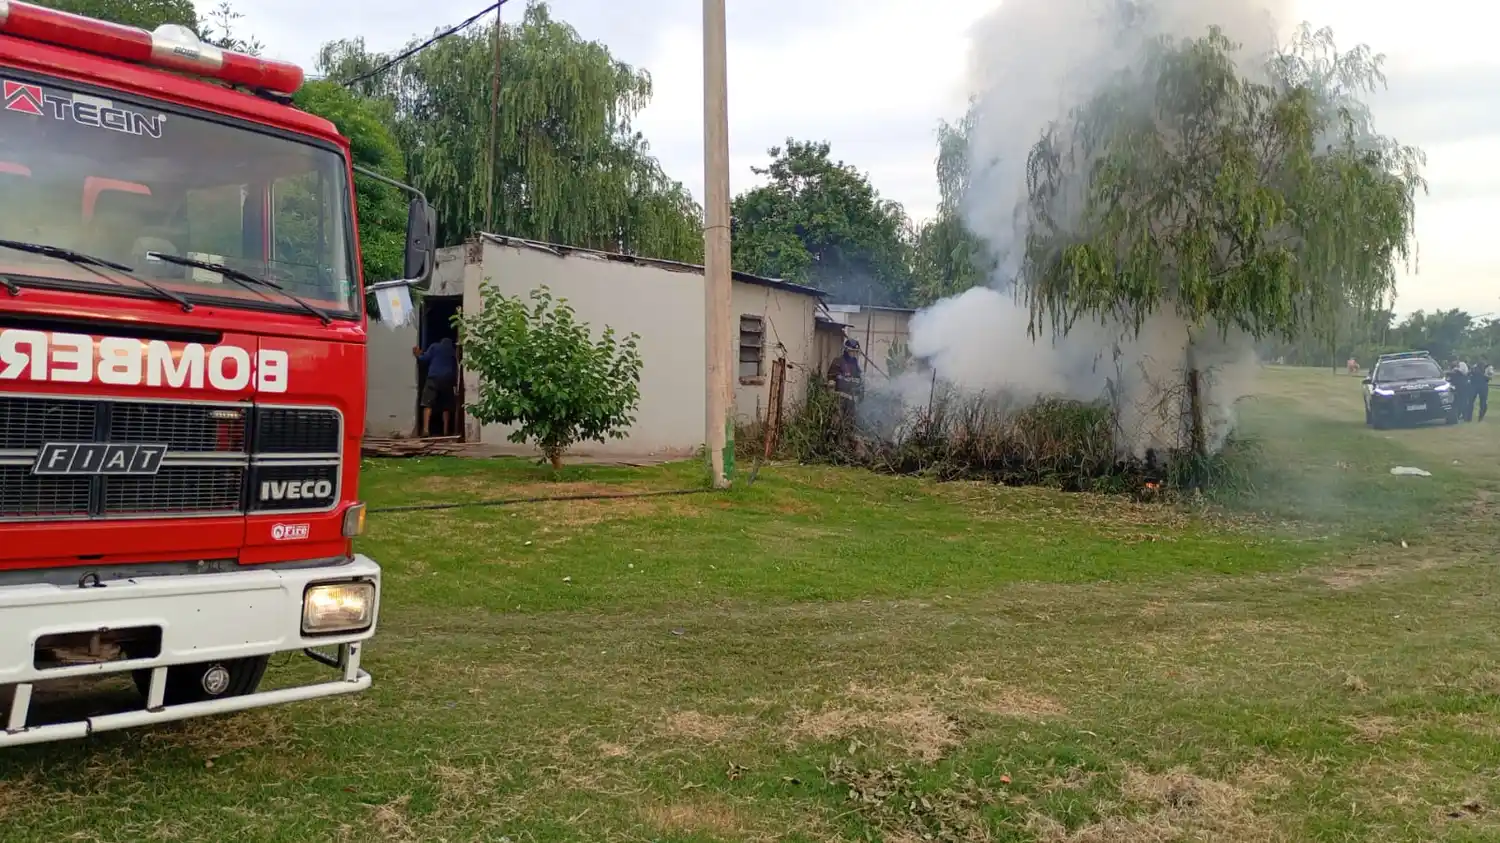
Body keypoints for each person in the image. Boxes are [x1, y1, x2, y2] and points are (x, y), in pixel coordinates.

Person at [412, 337, 457, 436]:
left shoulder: (435, 347)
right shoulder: (453, 351)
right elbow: (456, 366)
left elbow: (424, 359)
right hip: (448, 379)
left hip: (434, 378)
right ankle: (445, 431)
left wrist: (418, 355)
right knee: (446, 406)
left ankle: (425, 430)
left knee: (427, 404)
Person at [826, 338, 864, 420]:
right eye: (852, 351)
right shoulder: (838, 362)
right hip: (839, 400)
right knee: (837, 421)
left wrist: (860, 393)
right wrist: (832, 397)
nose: (854, 354)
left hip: (851, 401)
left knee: (851, 421)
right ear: (846, 350)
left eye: (856, 352)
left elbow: (859, 381)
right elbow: (831, 379)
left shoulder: (855, 364)